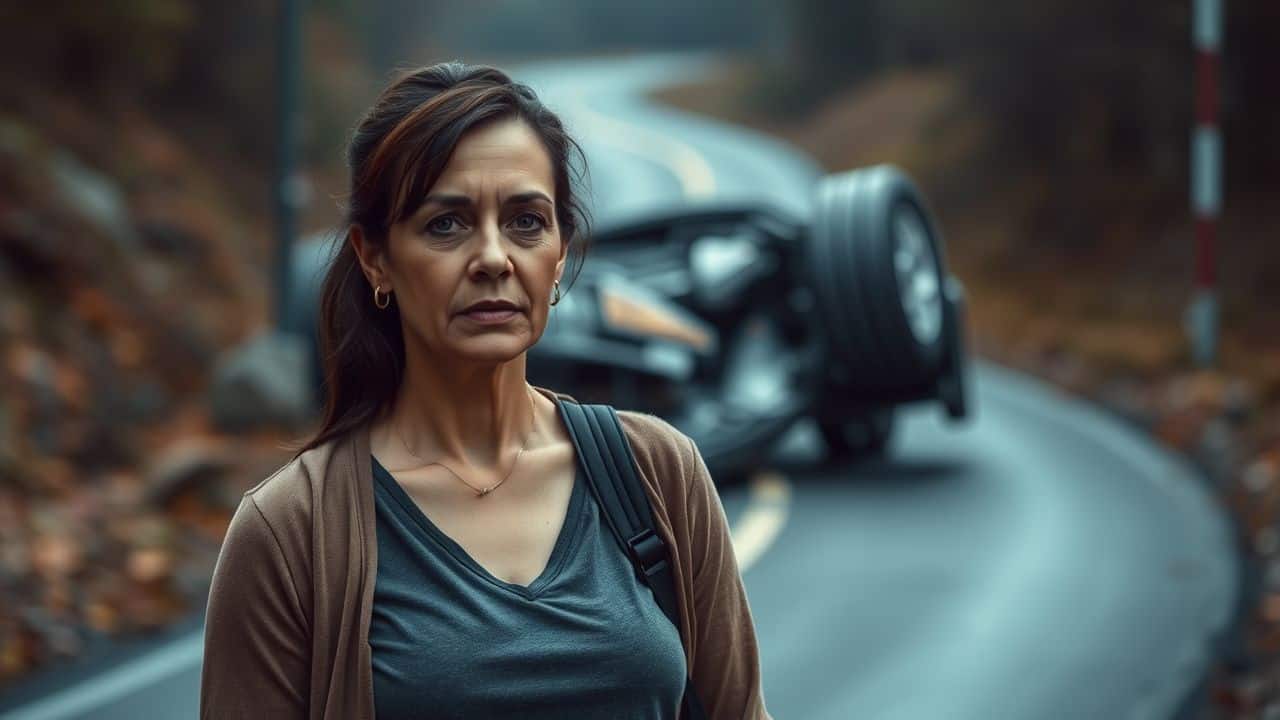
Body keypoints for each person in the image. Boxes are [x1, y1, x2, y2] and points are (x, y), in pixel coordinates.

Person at [199, 61, 771, 720]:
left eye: (526, 221)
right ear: (374, 257)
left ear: (559, 254)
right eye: (447, 224)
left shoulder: (659, 476)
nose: (494, 257)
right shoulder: (293, 534)